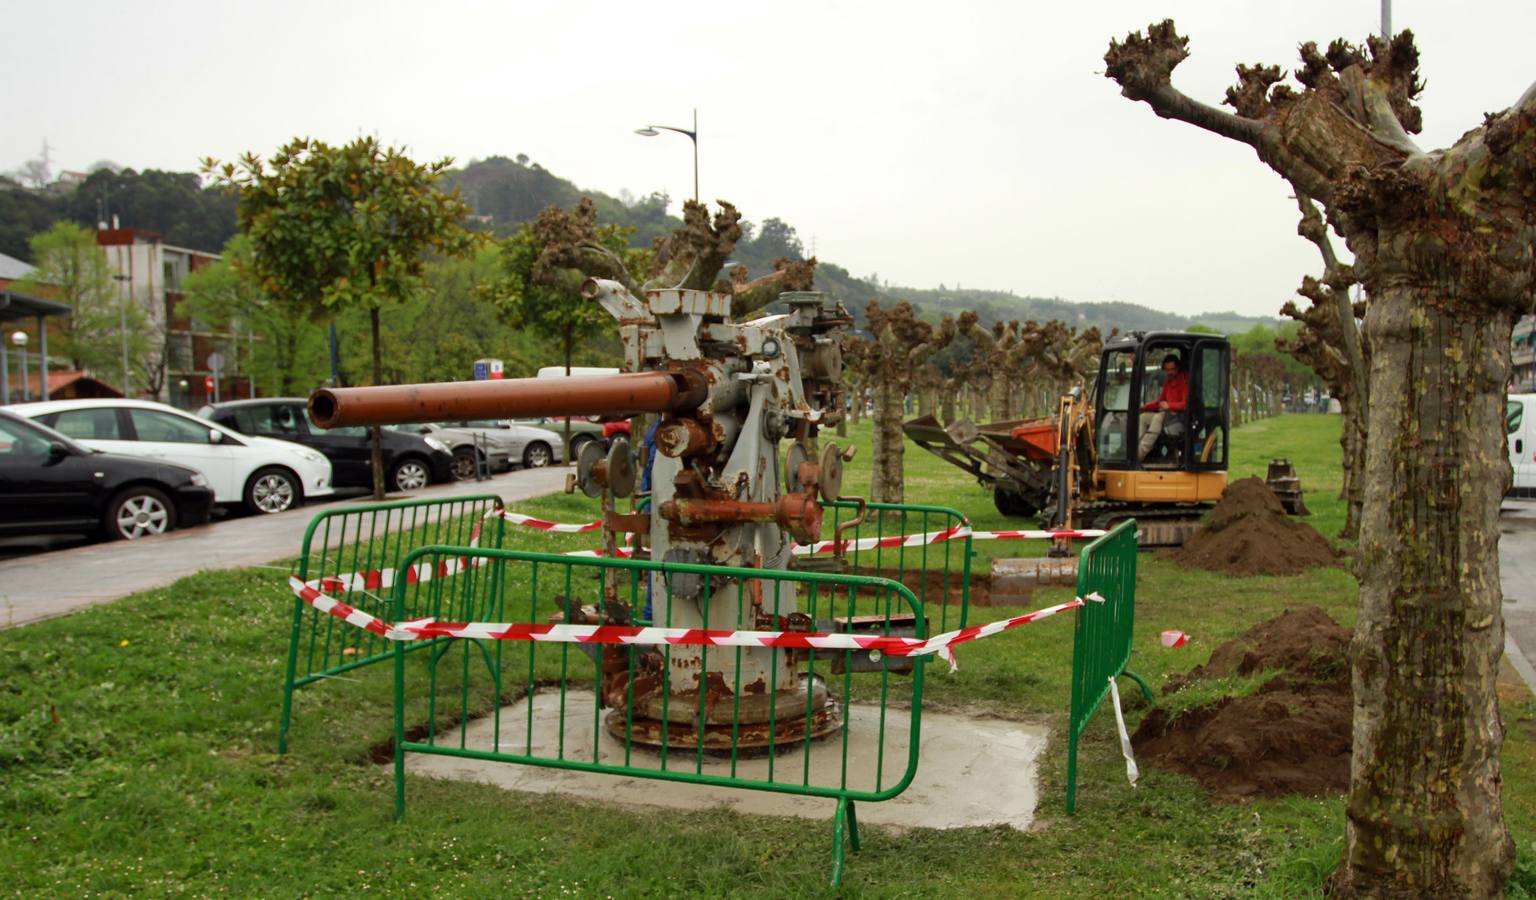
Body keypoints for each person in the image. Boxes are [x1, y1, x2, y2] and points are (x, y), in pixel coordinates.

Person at [1138, 354, 1188, 461]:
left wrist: (1170, 405)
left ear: (1177, 368)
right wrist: (1144, 407)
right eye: (1167, 370)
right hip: (1167, 416)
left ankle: (1140, 453)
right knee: (1143, 417)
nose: (1169, 372)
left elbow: (1186, 404)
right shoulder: (1168, 382)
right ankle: (1136, 445)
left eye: (1172, 369)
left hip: (1178, 418)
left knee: (1157, 417)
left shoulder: (1184, 381)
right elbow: (1160, 402)